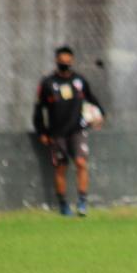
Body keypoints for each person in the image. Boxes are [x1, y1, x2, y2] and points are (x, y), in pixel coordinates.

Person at [33, 45, 105, 217]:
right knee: (61, 168)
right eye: (62, 60)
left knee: (81, 163)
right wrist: (42, 131)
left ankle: (82, 202)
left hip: (77, 130)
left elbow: (92, 99)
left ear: (72, 61)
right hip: (57, 133)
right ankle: (63, 204)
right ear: (57, 61)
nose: (65, 63)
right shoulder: (48, 83)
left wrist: (100, 114)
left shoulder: (79, 81)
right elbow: (38, 110)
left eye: (68, 60)